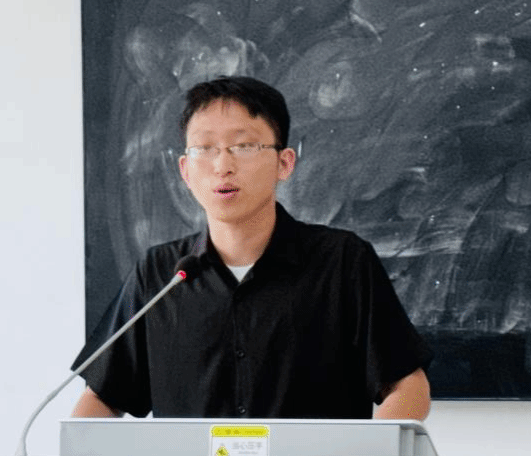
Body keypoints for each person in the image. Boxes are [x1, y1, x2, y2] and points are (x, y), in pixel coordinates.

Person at [71, 76, 432, 420]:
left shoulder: (342, 262)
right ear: (185, 170)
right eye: (205, 149)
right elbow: (101, 399)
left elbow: (408, 387)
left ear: (284, 163)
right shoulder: (160, 275)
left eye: (243, 147)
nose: (222, 166)